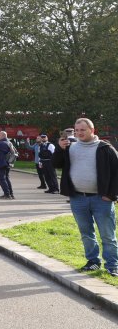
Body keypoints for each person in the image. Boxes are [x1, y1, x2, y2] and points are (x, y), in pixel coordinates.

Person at [54, 117, 118, 276]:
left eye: (83, 130)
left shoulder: (105, 148)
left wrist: (111, 195)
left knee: (107, 235)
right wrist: (59, 149)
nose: (79, 133)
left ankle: (113, 265)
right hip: (78, 199)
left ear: (92, 130)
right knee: (86, 234)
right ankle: (93, 262)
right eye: (77, 130)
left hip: (101, 199)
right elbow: (55, 164)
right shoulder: (70, 147)